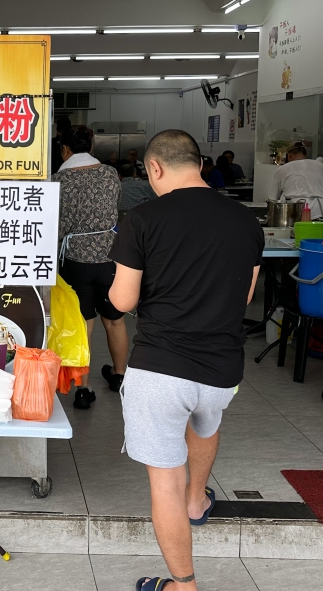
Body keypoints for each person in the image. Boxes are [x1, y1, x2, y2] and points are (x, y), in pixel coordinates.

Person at [108, 130, 263, 591]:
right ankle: (199, 501)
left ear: (154, 168)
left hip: (160, 369)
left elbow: (121, 299)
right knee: (205, 427)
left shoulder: (142, 218)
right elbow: (246, 296)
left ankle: (183, 585)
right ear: (197, 162)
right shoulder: (245, 220)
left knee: (164, 484)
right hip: (221, 369)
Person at [53, 125, 130, 409]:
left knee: (83, 324)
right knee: (115, 320)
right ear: (92, 146)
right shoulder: (110, 174)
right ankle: (119, 376)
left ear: (64, 149)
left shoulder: (58, 180)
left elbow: (57, 224)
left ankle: (82, 388)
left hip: (75, 262)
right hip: (111, 258)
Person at [269, 144, 323, 219]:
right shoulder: (321, 166)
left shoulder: (282, 169)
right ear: (306, 154)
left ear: (289, 156)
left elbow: (273, 199)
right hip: (321, 210)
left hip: (296, 211)